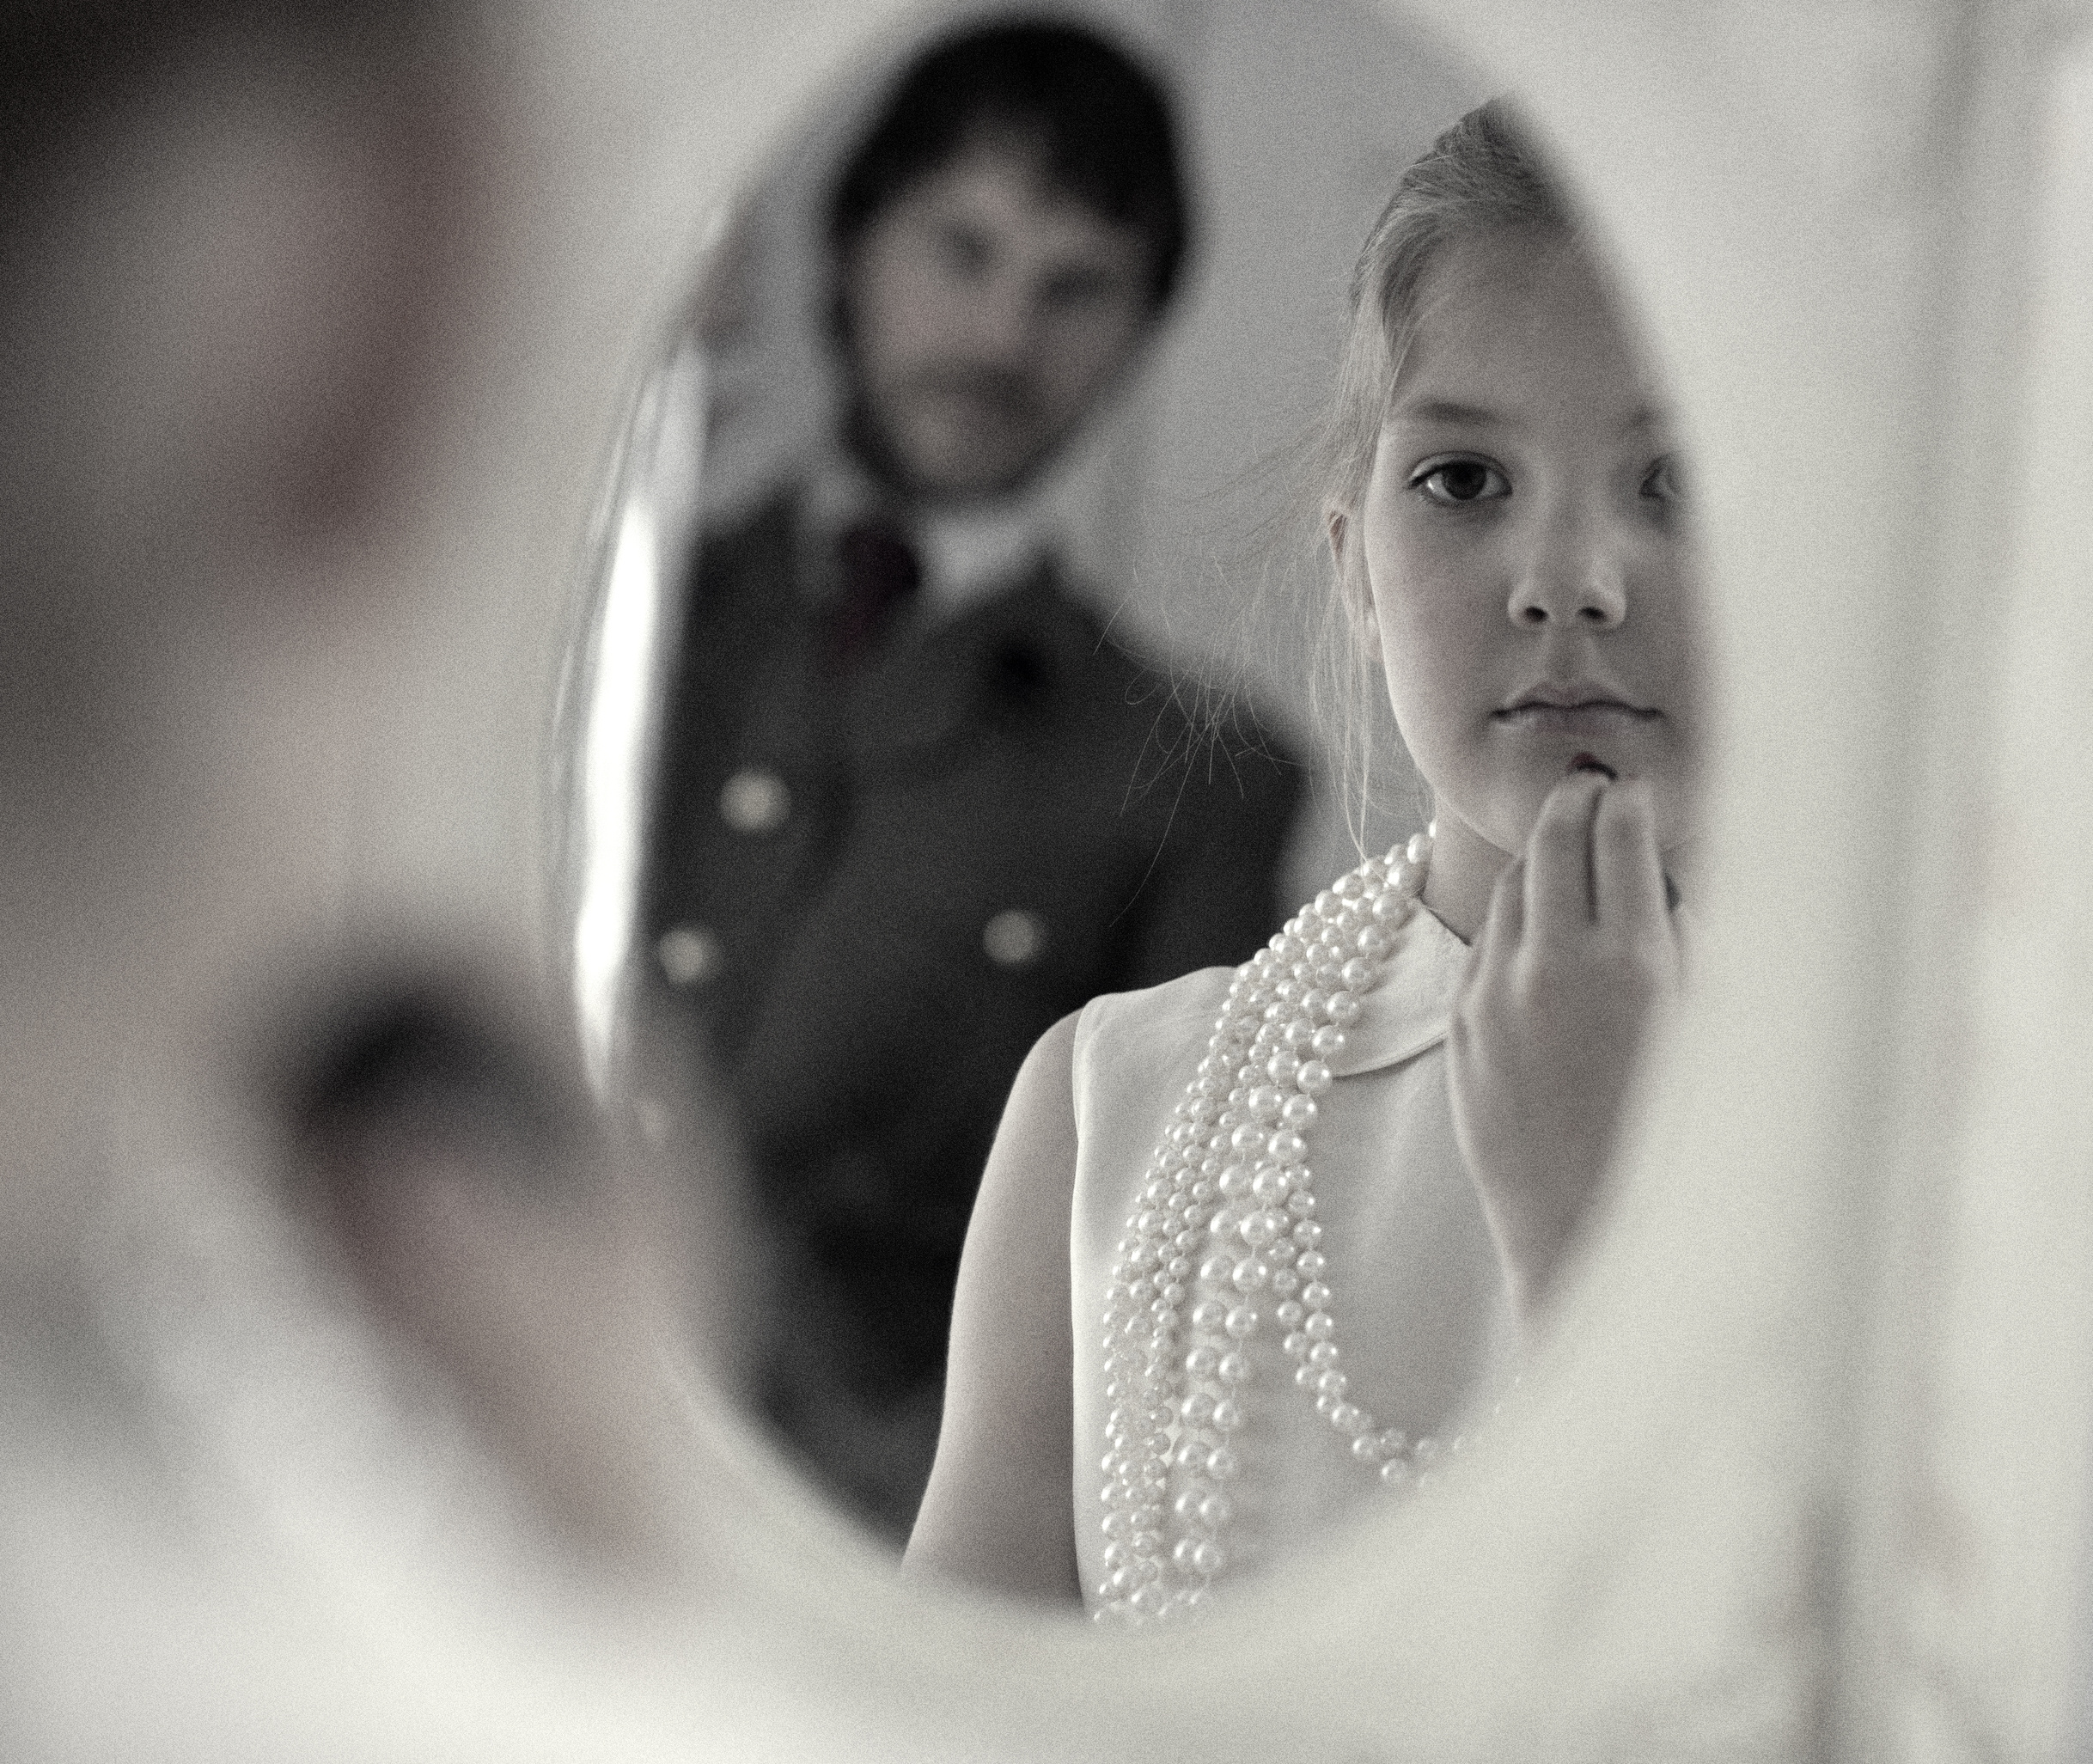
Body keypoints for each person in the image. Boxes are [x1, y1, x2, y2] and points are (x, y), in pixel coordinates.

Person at [904, 100, 1700, 1615]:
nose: (1567, 580)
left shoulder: (1958, 1116)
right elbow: (949, 1699)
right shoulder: (1104, 1107)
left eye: (1680, 478)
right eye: (1464, 480)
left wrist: (1600, 1224)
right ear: (1353, 566)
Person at [642, 18, 1305, 1538]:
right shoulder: (624, 609)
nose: (1005, 338)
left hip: (846, 1547)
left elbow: (1135, 1300)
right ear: (850, 245)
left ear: (1139, 337)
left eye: (1078, 288)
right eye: (962, 249)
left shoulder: (1197, 778)